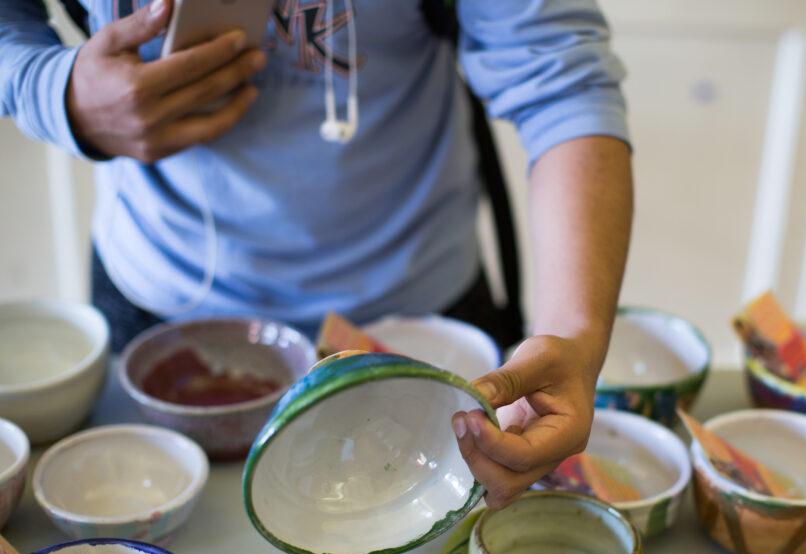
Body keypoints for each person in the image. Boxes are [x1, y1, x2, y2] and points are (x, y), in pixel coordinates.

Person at [0, 0, 634, 508]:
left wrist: (573, 336)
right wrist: (53, 90)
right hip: (160, 301)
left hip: (414, 319)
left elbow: (563, 85)